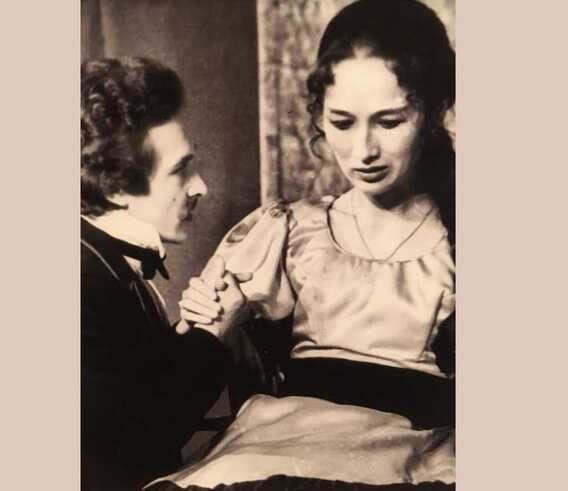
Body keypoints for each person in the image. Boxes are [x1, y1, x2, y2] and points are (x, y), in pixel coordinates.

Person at [174, 0, 456, 486]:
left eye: (389, 122)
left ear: (433, 112)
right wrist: (214, 327)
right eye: (342, 122)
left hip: (415, 459)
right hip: (280, 450)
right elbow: (169, 397)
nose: (363, 151)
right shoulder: (287, 231)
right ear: (319, 118)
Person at [81, 57, 248, 491]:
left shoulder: (100, 258)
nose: (201, 187)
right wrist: (215, 334)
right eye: (180, 170)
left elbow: (130, 385)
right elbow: (138, 440)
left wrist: (186, 332)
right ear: (116, 187)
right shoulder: (80, 279)